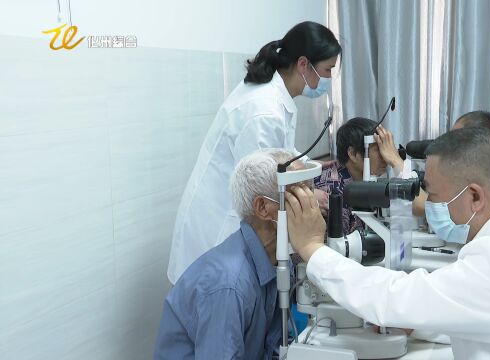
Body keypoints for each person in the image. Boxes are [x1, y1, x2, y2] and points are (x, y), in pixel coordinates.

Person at [285, 128, 490, 359]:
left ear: (475, 196)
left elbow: (394, 298)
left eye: (432, 193)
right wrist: (420, 322)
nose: (428, 202)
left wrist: (314, 250)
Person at [167, 21, 341, 284]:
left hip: (233, 223)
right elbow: (262, 184)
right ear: (304, 64)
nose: (328, 80)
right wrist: (311, 195)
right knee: (215, 306)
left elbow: (282, 153)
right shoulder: (263, 110)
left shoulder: (275, 98)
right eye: (328, 70)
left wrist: (319, 170)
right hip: (217, 230)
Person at [154, 149, 300, 360]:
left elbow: (276, 347)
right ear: (263, 207)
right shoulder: (229, 285)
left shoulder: (276, 263)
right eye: (297, 197)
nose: (311, 208)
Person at [314, 117, 412, 234]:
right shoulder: (332, 191)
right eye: (378, 149)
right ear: (353, 154)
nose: (386, 156)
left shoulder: (366, 180)